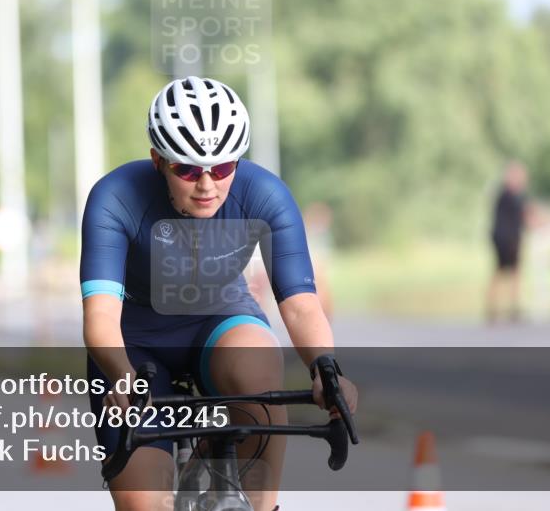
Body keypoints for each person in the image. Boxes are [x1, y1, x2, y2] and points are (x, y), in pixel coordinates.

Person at [81, 76, 358, 511]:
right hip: (134, 346)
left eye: (224, 168)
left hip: (219, 321)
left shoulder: (264, 194)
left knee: (259, 364)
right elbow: (99, 318)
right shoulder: (115, 197)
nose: (207, 185)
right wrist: (118, 373)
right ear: (158, 161)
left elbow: (301, 305)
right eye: (188, 170)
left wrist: (326, 368)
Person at [486, 161, 533, 324]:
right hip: (508, 239)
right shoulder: (511, 196)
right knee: (511, 272)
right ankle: (506, 308)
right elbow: (525, 215)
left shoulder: (504, 195)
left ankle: (500, 308)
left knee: (503, 272)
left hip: (502, 237)